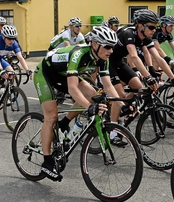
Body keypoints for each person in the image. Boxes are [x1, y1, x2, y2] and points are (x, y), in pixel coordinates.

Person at [34, 25, 120, 181]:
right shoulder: (78, 54)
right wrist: (89, 108)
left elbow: (108, 86)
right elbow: (73, 89)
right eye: (108, 46)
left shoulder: (103, 58)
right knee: (51, 117)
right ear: (95, 44)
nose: (111, 50)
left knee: (93, 94)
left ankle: (65, 122)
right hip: (46, 73)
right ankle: (47, 162)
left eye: (112, 47)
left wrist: (124, 105)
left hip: (64, 75)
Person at [108, 9, 159, 144]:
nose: (154, 30)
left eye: (156, 27)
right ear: (141, 26)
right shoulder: (128, 33)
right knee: (119, 96)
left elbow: (149, 54)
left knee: (138, 87)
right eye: (151, 27)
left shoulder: (143, 38)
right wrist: (148, 76)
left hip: (119, 61)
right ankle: (113, 132)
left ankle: (124, 109)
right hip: (108, 62)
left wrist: (152, 71)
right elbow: (134, 56)